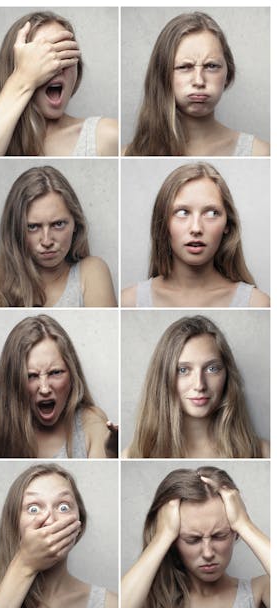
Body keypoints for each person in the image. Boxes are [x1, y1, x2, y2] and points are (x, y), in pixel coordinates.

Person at [122, 163, 269, 307]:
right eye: (182, 212)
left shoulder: (257, 303)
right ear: (163, 223)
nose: (196, 228)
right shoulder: (129, 301)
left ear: (227, 225)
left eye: (211, 213)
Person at [0, 12, 118, 156]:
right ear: (15, 67)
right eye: (42, 56)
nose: (55, 65)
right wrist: (23, 79)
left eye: (65, 53)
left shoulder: (106, 135)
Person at [121, 467, 269, 608]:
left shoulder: (261, 589)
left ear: (235, 533)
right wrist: (162, 537)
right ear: (173, 542)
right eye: (193, 539)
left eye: (219, 536)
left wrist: (244, 525)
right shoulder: (145, 596)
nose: (208, 553)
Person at [0, 464, 116, 608]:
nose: (50, 520)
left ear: (79, 524)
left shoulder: (110, 604)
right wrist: (25, 563)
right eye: (33, 509)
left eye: (63, 507)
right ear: (14, 524)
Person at [124, 12, 269, 157]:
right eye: (184, 67)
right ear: (163, 74)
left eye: (211, 66)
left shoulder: (261, 153)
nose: (199, 81)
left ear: (228, 73)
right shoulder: (128, 153)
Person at [0, 314, 117, 458]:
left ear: (72, 375)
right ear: (13, 381)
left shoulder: (91, 424)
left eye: (55, 372)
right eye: (31, 376)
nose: (45, 389)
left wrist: (111, 456)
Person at [126, 315, 268, 458]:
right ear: (163, 378)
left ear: (227, 374)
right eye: (183, 370)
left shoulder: (265, 452)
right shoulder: (134, 455)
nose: (199, 385)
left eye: (212, 369)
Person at [0, 166, 116, 307]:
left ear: (76, 224)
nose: (47, 241)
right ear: (16, 229)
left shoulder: (91, 272)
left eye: (58, 224)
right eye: (33, 227)